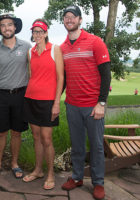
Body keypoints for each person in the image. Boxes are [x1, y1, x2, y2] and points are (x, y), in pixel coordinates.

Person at [60, 5, 111, 200]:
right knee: (77, 145)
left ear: (80, 20)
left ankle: (98, 183)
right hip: (72, 105)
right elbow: (63, 77)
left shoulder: (95, 42)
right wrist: (57, 98)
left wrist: (102, 103)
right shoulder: (63, 47)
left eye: (73, 16)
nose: (69, 19)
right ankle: (77, 177)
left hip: (93, 106)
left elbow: (106, 74)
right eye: (66, 17)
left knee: (97, 146)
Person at [0, 14, 31, 179]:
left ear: (15, 27)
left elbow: (34, 69)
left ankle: (14, 164)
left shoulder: (26, 46)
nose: (7, 28)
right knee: (1, 132)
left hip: (21, 95)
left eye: (10, 24)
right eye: (3, 25)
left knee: (17, 132)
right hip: (1, 96)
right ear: (0, 29)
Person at [22, 19, 64, 190]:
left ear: (46, 33)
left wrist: (56, 103)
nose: (37, 34)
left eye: (41, 31)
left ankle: (50, 174)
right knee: (36, 137)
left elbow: (61, 77)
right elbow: (32, 75)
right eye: (35, 31)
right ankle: (38, 170)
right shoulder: (30, 52)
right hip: (31, 98)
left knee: (47, 139)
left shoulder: (55, 49)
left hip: (48, 102)